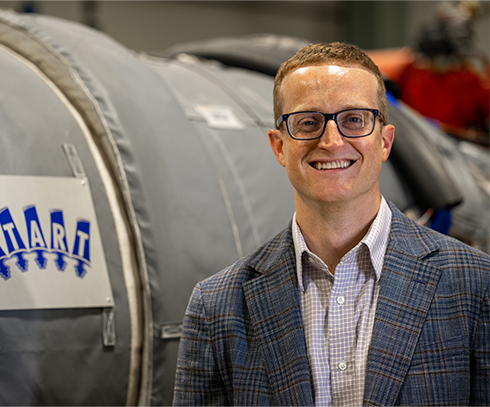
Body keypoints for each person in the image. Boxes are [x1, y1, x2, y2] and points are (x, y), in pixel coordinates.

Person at [173, 42, 490, 406]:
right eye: (308, 123)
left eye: (354, 120)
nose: (332, 141)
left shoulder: (476, 285)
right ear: (279, 146)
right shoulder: (217, 306)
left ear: (385, 142)